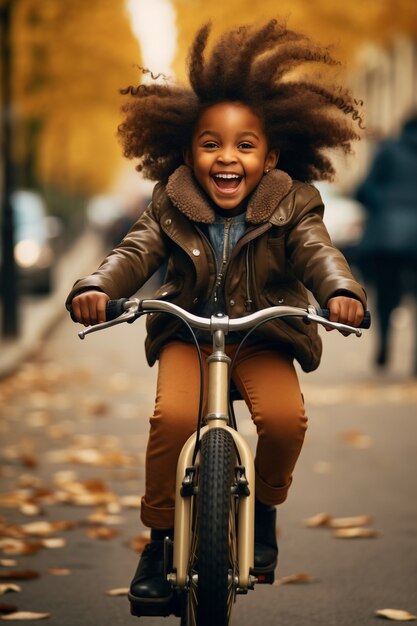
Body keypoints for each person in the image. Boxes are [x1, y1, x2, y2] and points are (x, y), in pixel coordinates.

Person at [66, 20, 366, 617]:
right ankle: (157, 543)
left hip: (264, 335)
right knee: (172, 416)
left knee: (284, 421)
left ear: (271, 155)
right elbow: (136, 251)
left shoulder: (294, 202)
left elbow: (317, 250)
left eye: (245, 146)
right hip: (188, 332)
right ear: (187, 152)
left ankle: (266, 511)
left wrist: (339, 290)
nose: (227, 157)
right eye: (211, 144)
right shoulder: (169, 200)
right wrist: (98, 285)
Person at [355, 115, 417, 372]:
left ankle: (383, 346)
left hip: (386, 237)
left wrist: (385, 204)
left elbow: (365, 188)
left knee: (386, 296)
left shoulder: (389, 149)